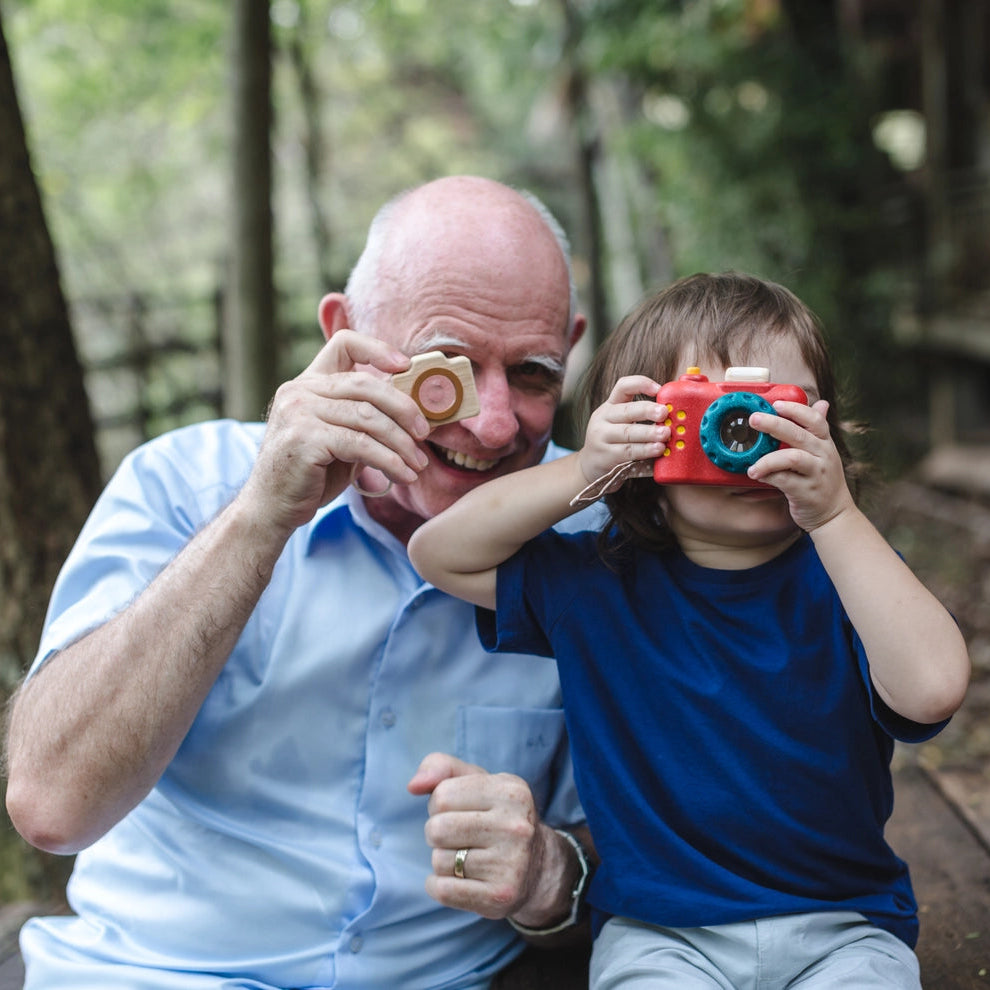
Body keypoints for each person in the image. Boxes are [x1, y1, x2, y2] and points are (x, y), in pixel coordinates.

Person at [3, 176, 603, 989]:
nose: (495, 424)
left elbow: (696, 825)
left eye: (533, 374)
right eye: (448, 371)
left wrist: (547, 873)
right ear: (344, 336)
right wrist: (259, 519)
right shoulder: (185, 484)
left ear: (571, 348)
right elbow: (51, 803)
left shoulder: (600, 534)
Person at [408, 272, 971, 989]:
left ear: (824, 429)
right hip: (660, 934)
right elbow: (438, 553)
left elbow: (932, 691)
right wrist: (589, 469)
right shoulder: (595, 583)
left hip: (846, 927)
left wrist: (834, 518)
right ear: (643, 435)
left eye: (776, 411)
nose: (747, 438)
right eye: (717, 411)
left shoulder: (848, 576)